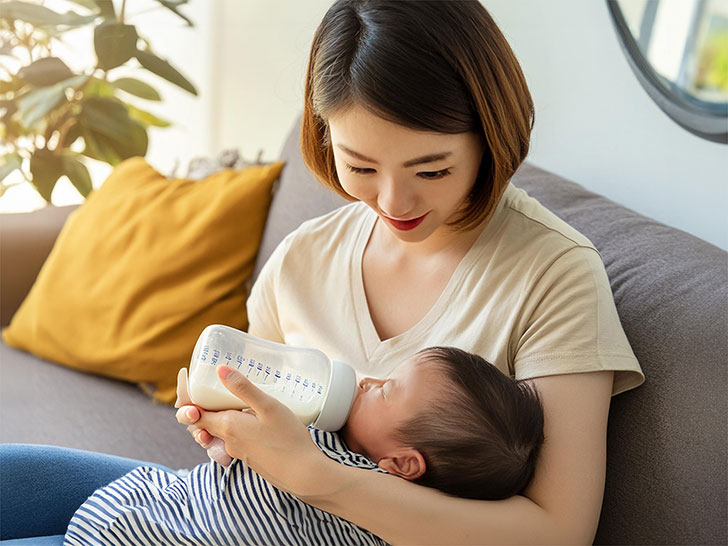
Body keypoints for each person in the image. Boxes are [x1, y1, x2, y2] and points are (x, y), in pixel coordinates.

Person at [1, 1, 644, 544]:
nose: (393, 203)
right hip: (205, 508)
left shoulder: (555, 275)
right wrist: (228, 431)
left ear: (490, 137)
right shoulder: (306, 256)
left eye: (432, 170)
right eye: (360, 167)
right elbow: (247, 447)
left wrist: (324, 479)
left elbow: (557, 532)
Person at [59, 347, 543, 545]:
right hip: (148, 505)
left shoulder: (332, 462)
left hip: (139, 527)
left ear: (402, 464)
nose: (370, 380)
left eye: (388, 389)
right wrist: (220, 432)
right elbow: (242, 480)